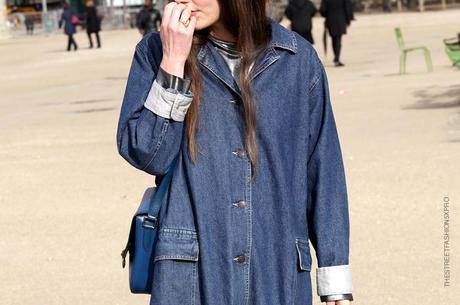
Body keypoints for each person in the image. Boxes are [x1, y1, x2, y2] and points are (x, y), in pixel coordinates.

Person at [116, 0, 354, 304]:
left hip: (276, 268)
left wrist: (335, 280)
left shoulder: (297, 60)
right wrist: (173, 65)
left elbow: (323, 170)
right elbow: (148, 154)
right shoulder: (155, 51)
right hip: (192, 276)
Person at [320, 0, 354, 66]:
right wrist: (348, 20)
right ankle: (337, 58)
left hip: (330, 19)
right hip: (340, 19)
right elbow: (347, 7)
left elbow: (323, 10)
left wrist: (327, 14)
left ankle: (336, 57)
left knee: (334, 38)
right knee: (338, 39)